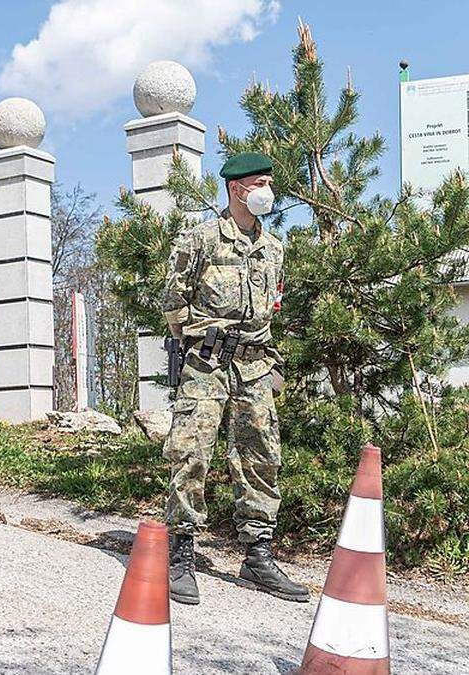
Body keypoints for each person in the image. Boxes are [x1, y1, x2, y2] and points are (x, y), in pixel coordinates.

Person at [160, 151, 308, 606]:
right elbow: (173, 301)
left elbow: (272, 307)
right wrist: (196, 346)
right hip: (206, 364)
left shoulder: (275, 248)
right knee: (191, 452)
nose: (268, 191)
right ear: (236, 188)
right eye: (260, 183)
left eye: (269, 182)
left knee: (262, 455)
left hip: (256, 367)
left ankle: (257, 555)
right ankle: (181, 552)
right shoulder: (201, 238)